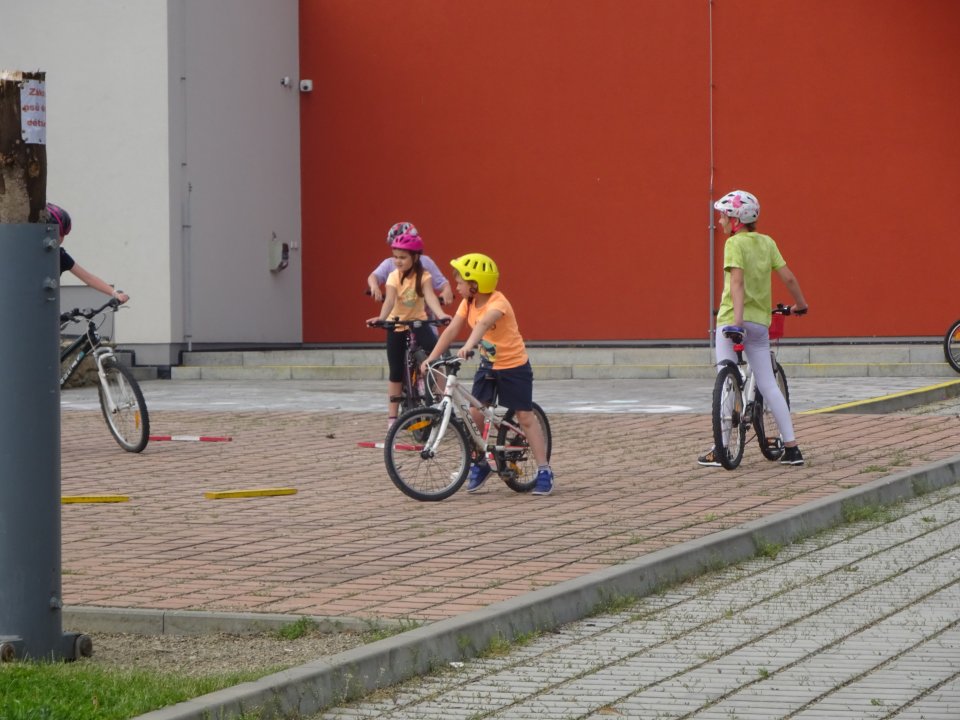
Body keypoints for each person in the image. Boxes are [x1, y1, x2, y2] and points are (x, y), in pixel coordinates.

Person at [422, 253, 555, 496]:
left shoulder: (498, 303)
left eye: (460, 282)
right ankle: (481, 462)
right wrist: (431, 358)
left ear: (475, 283)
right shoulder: (468, 303)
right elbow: (451, 330)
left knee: (524, 416)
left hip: (514, 366)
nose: (457, 286)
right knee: (475, 414)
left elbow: (483, 325)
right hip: (489, 366)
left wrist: (468, 346)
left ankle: (544, 470)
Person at [699, 190, 808, 467]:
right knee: (769, 384)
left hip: (731, 320)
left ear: (736, 219)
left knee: (725, 379)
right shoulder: (767, 242)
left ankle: (721, 449)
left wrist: (737, 321)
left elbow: (737, 283)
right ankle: (792, 448)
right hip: (760, 322)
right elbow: (788, 277)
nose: (720, 221)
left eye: (724, 216)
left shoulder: (734, 244)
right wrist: (800, 304)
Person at [366, 231, 450, 429]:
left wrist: (440, 314)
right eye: (395, 257)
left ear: (415, 257)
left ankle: (441, 402)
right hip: (397, 325)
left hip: (419, 322)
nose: (398, 261)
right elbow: (389, 301)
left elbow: (430, 297)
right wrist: (381, 318)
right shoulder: (393, 277)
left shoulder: (424, 276)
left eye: (403, 257)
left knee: (437, 359)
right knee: (395, 371)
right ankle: (392, 419)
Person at [43, 203, 129, 304]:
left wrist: (115, 293)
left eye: (63, 235)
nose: (61, 239)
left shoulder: (60, 256)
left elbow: (88, 278)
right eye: (59, 234)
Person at [367, 222, 453, 306]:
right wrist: (374, 286)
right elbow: (373, 276)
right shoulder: (389, 264)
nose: (398, 260)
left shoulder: (426, 262)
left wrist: (446, 291)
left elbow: (442, 283)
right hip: (397, 314)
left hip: (425, 314)